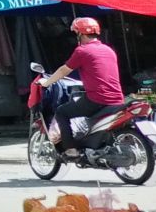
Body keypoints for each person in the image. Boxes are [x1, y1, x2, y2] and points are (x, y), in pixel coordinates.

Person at [39, 17, 124, 157]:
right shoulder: (108, 50)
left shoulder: (82, 51)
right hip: (117, 99)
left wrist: (46, 83)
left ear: (81, 34)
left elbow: (63, 71)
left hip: (97, 99)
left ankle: (70, 149)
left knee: (62, 112)